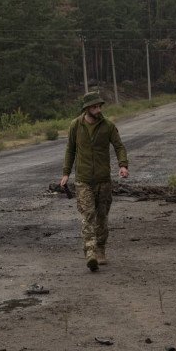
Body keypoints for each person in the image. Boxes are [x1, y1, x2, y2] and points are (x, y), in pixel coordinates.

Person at [60, 91, 129, 272]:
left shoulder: (108, 126)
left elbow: (119, 146)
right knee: (88, 215)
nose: (98, 109)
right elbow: (70, 150)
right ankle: (90, 252)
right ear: (86, 109)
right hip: (83, 180)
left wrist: (123, 165)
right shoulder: (76, 125)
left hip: (103, 180)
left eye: (99, 106)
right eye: (94, 107)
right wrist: (66, 173)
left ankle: (101, 249)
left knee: (102, 217)